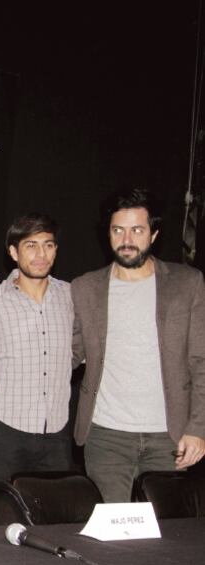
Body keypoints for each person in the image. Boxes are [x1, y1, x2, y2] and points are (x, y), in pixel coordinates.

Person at [72, 187, 205, 501]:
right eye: (118, 230)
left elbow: (201, 360)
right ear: (108, 234)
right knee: (112, 537)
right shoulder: (85, 287)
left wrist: (198, 427)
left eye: (137, 230)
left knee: (165, 539)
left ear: (154, 234)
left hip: (169, 437)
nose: (126, 239)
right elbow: (69, 352)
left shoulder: (187, 283)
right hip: (106, 437)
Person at [0, 214, 73, 482]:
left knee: (53, 519)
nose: (41, 254)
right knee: (1, 516)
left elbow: (81, 349)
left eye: (48, 245)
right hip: (5, 430)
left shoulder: (70, 296)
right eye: (31, 245)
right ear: (13, 252)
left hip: (57, 433)